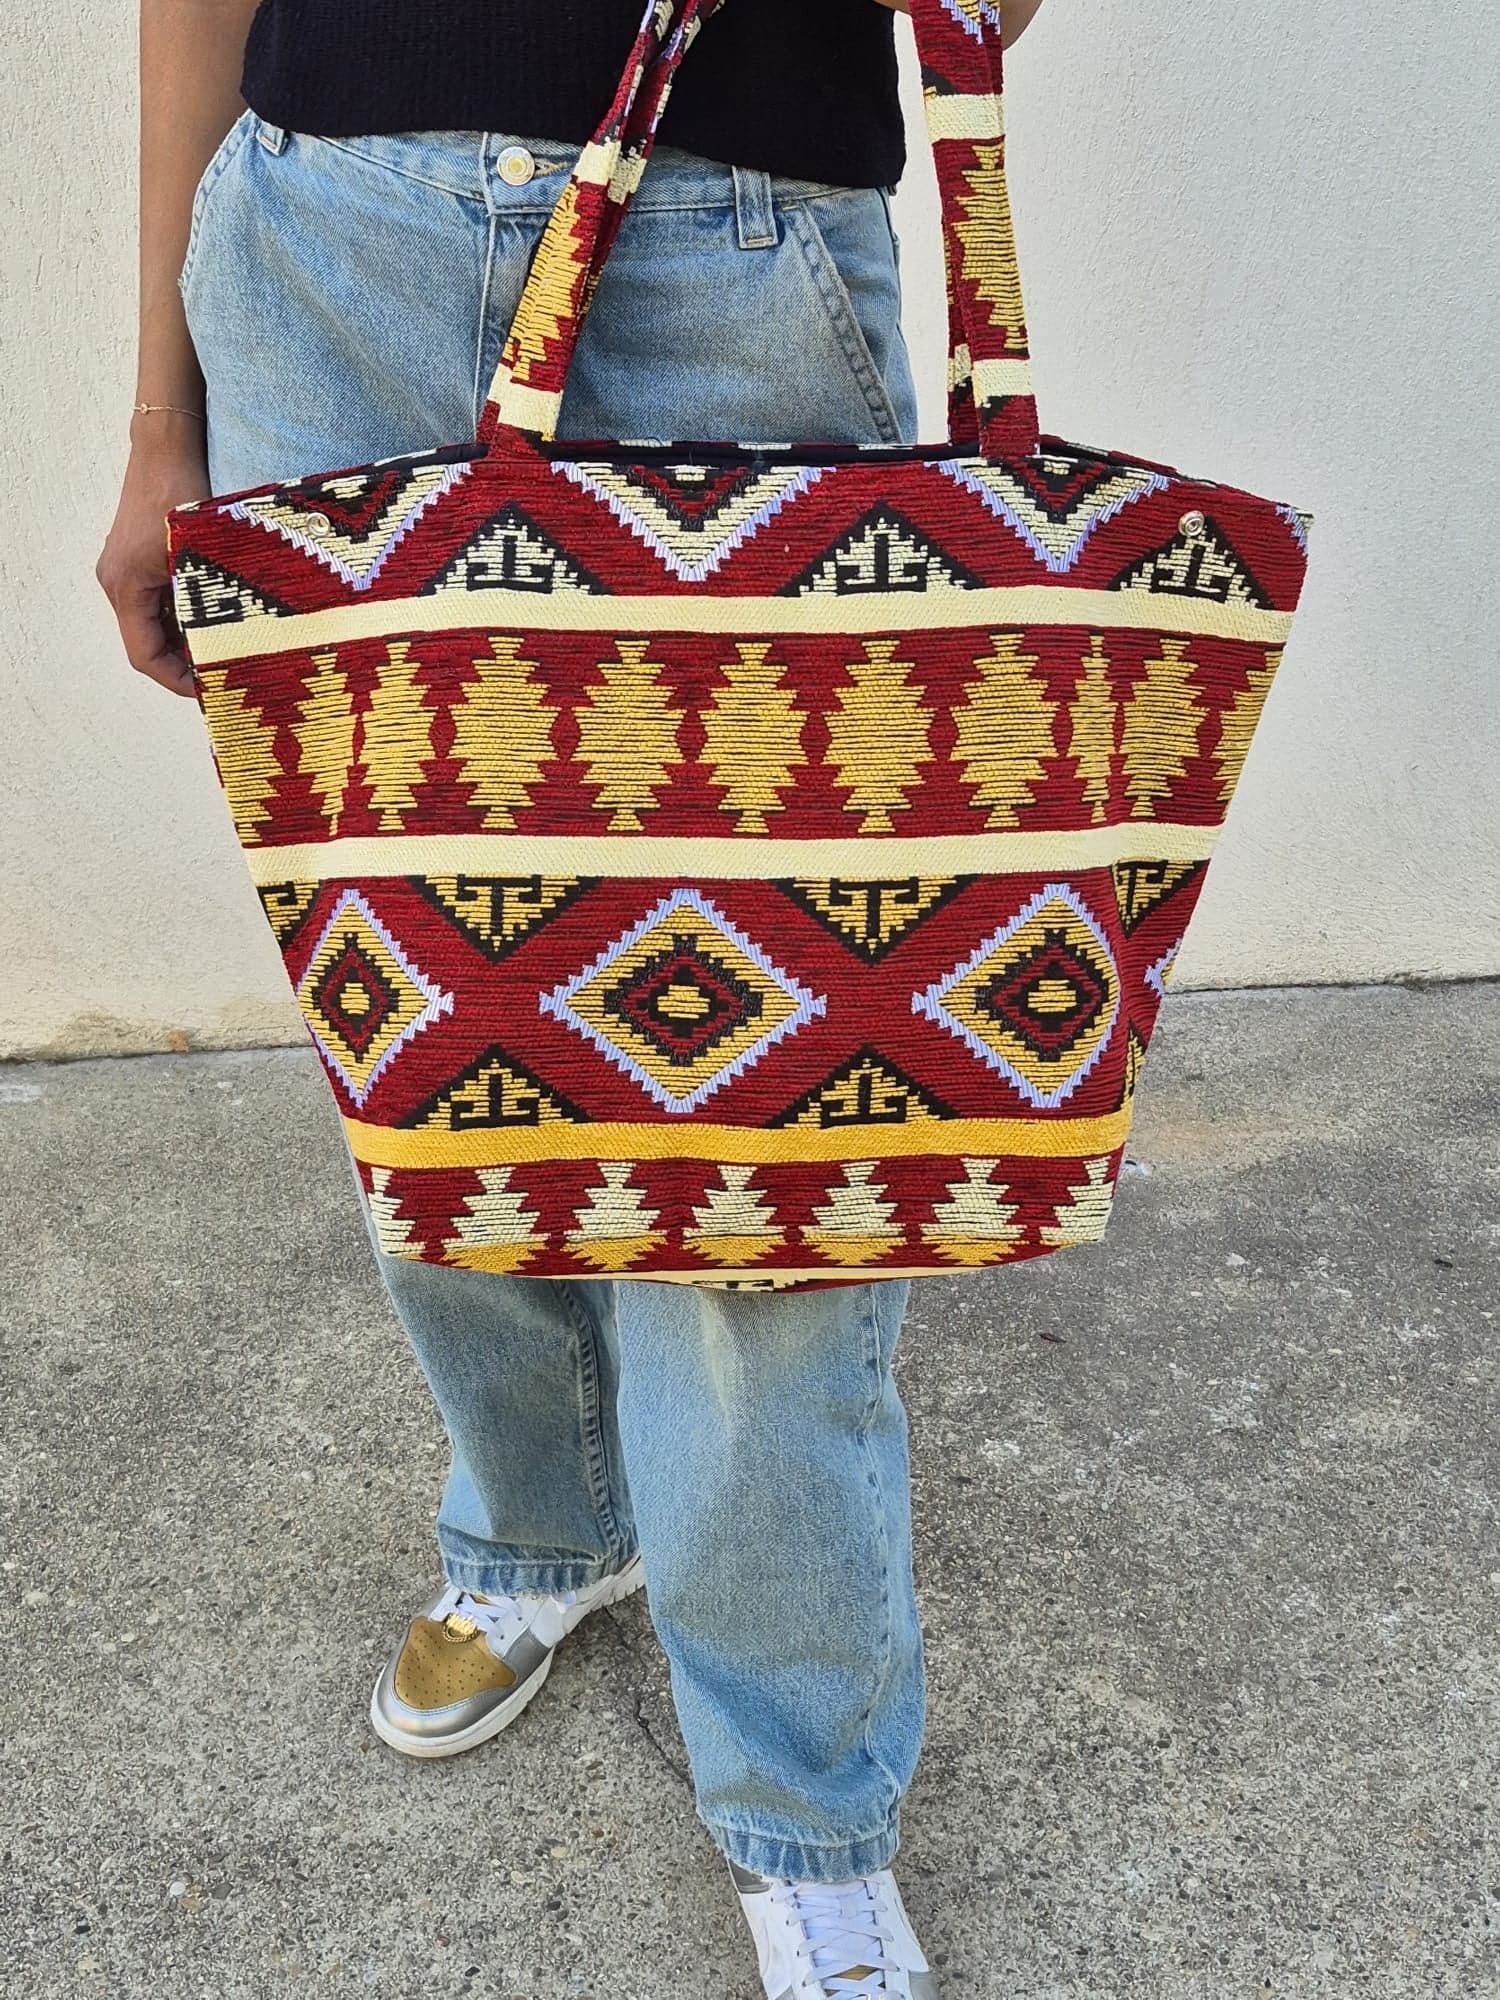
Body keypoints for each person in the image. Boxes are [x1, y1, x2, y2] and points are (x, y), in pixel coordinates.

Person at [98, 3, 1045, 1993]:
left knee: (774, 1081)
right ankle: (545, 1522)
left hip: (734, 244)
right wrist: (155, 413)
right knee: (430, 1018)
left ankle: (801, 1796)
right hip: (323, 245)